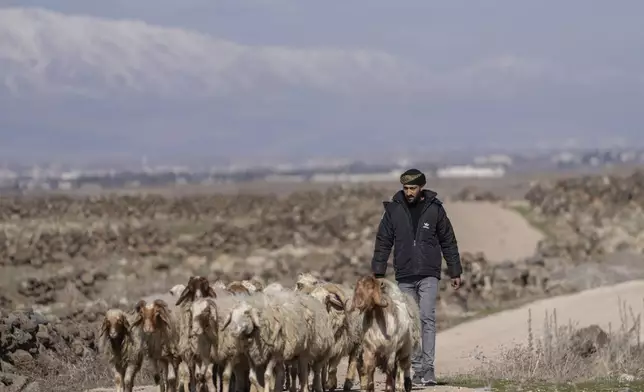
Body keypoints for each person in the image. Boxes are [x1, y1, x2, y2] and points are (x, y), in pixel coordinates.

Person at [371, 168, 463, 386]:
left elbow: (448, 241)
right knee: (408, 323)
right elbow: (383, 241)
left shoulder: (435, 209)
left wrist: (455, 271)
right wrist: (378, 272)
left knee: (426, 318)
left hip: (429, 273)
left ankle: (428, 369)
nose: (409, 192)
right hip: (404, 274)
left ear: (421, 187)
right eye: (405, 188)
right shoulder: (393, 210)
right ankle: (417, 366)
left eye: (412, 188)